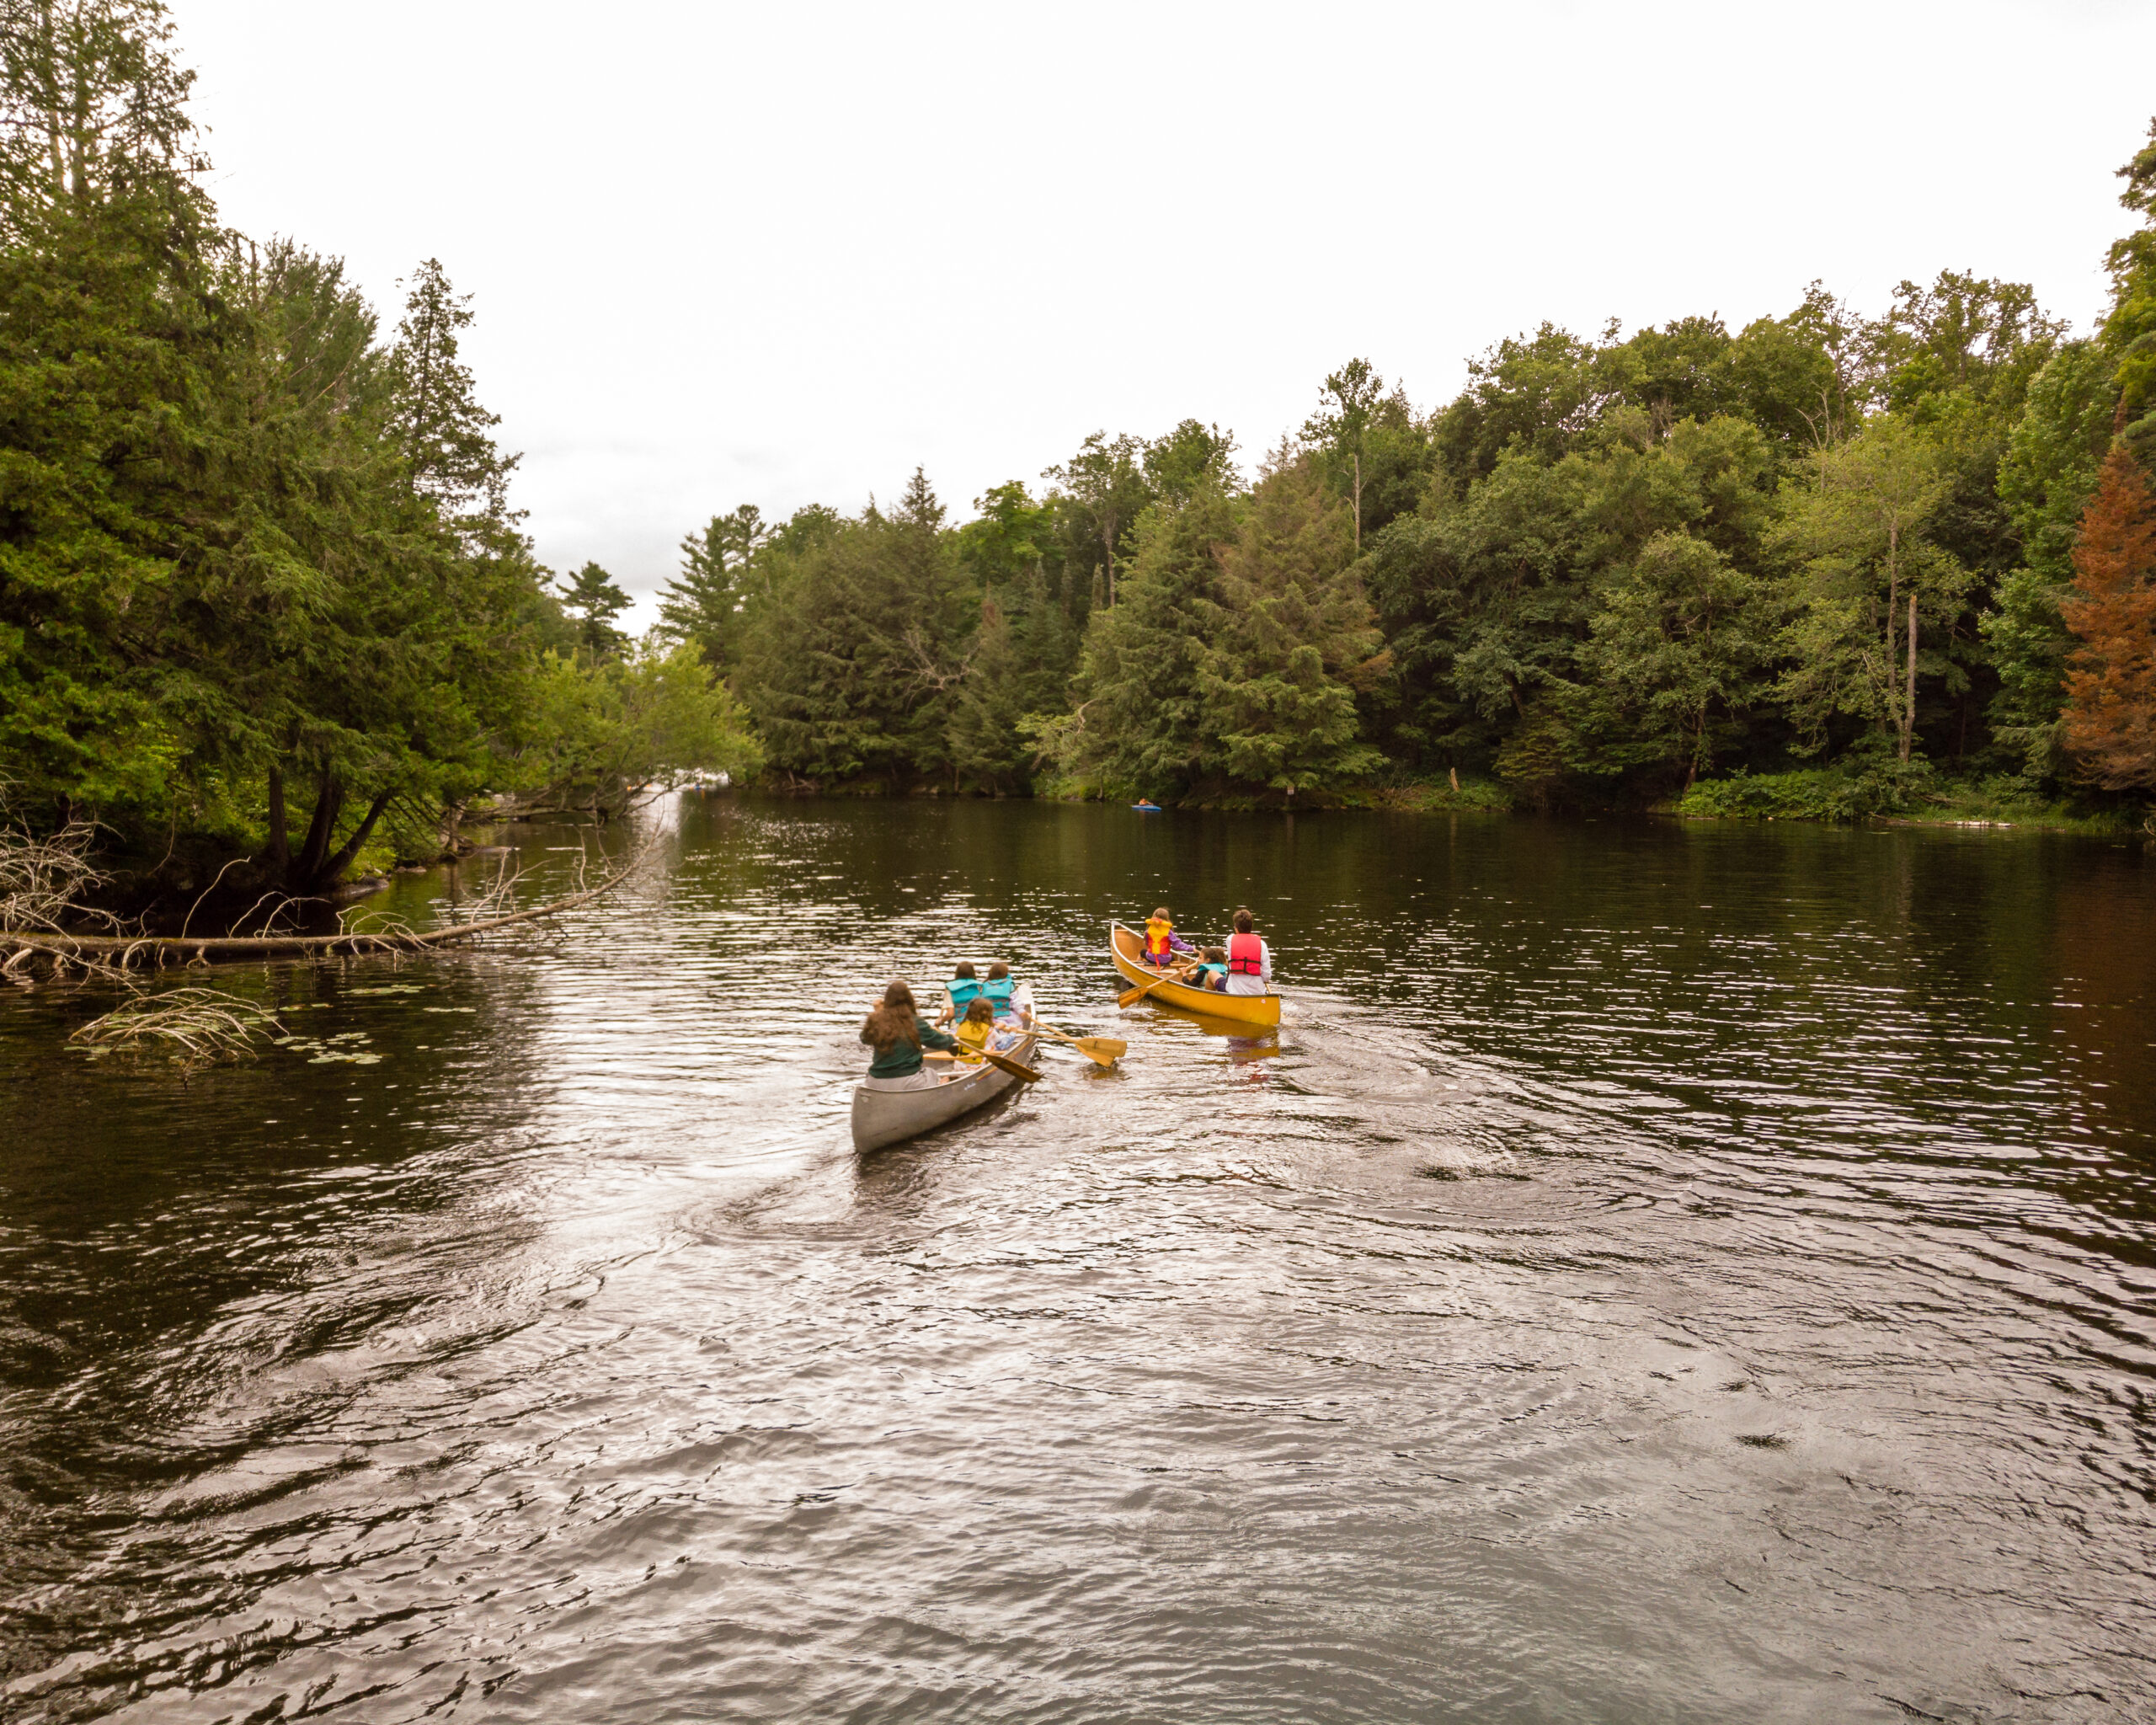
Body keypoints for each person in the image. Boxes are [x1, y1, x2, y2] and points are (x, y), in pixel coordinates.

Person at [860, 980, 958, 1089]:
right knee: (931, 1073)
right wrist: (951, 1038)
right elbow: (940, 1042)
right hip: (908, 1081)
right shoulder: (915, 1022)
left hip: (875, 1081)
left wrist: (877, 1013)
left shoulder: (876, 1020)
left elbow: (864, 1038)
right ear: (909, 1000)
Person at [1224, 907, 1272, 996]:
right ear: (1251, 927)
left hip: (1235, 992)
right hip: (1257, 993)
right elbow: (1266, 976)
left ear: (1236, 928)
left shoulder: (1230, 940)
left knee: (1214, 976)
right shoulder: (1262, 944)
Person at [1142, 905, 1193, 969]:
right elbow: (1177, 945)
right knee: (1172, 958)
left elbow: (1147, 943)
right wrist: (1192, 948)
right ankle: (1166, 969)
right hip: (1165, 960)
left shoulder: (1148, 930)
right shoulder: (1169, 932)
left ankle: (1141, 967)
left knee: (1142, 952)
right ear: (1166, 919)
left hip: (1151, 958)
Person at [937, 961, 983, 1026]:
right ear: (973, 973)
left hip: (958, 1025)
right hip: (977, 1024)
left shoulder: (950, 988)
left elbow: (950, 1014)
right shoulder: (978, 986)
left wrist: (941, 1021)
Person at [953, 996, 998, 1062]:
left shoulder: (962, 1025)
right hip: (979, 1065)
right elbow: (1001, 1044)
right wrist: (1013, 1033)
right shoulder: (990, 1031)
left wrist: (997, 1028)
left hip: (959, 1063)